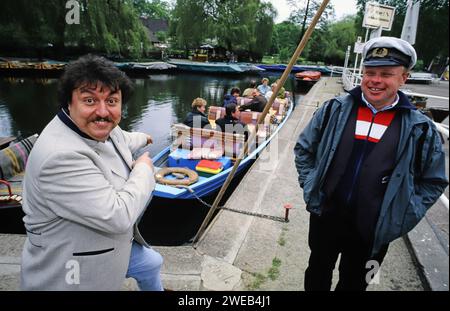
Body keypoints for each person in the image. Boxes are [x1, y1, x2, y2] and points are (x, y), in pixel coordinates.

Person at [294, 37, 448, 291]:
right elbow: (304, 149)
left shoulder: (420, 128)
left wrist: (402, 216)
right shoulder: (334, 109)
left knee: (357, 283)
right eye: (370, 72)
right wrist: (311, 183)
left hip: (375, 231)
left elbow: (433, 181)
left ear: (403, 78)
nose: (375, 80)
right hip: (325, 217)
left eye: (386, 74)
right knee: (317, 270)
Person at [20, 54, 164, 291]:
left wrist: (143, 138)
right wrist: (144, 170)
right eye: (89, 100)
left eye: (112, 101)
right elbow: (117, 216)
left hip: (115, 248)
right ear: (69, 102)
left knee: (151, 263)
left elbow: (121, 139)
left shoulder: (95, 127)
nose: (103, 112)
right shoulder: (60, 157)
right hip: (74, 268)